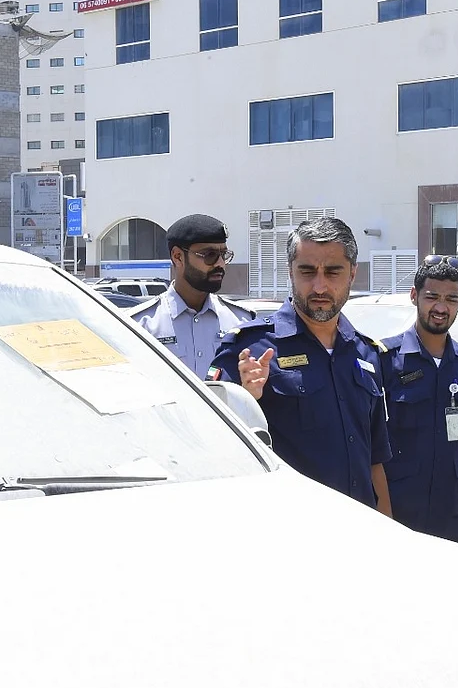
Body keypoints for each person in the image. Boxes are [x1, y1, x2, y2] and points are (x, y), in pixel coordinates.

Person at [208, 217, 393, 515]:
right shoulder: (248, 349)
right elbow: (216, 451)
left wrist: (387, 531)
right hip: (290, 529)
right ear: (290, 272)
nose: (320, 286)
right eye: (307, 271)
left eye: (333, 272)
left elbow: (374, 460)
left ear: (352, 274)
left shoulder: (366, 354)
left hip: (361, 529)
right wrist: (246, 399)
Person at [380, 255, 458, 549]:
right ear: (414, 296)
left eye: (451, 299)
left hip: (448, 514)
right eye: (432, 297)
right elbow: (370, 443)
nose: (441, 308)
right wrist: (381, 512)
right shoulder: (385, 360)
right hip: (396, 513)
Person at [130, 214, 254, 379]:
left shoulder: (241, 321)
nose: (220, 264)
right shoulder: (140, 325)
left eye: (223, 254)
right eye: (209, 255)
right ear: (178, 257)